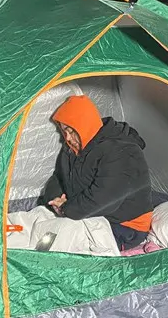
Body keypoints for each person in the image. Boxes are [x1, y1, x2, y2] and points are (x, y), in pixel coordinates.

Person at [43, 95, 153, 250]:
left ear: (84, 125)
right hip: (85, 213)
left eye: (71, 130)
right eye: (63, 130)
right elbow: (58, 177)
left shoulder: (123, 151)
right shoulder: (72, 148)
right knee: (44, 232)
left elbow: (105, 199)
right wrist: (55, 199)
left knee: (64, 244)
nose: (67, 137)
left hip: (126, 226)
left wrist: (66, 209)